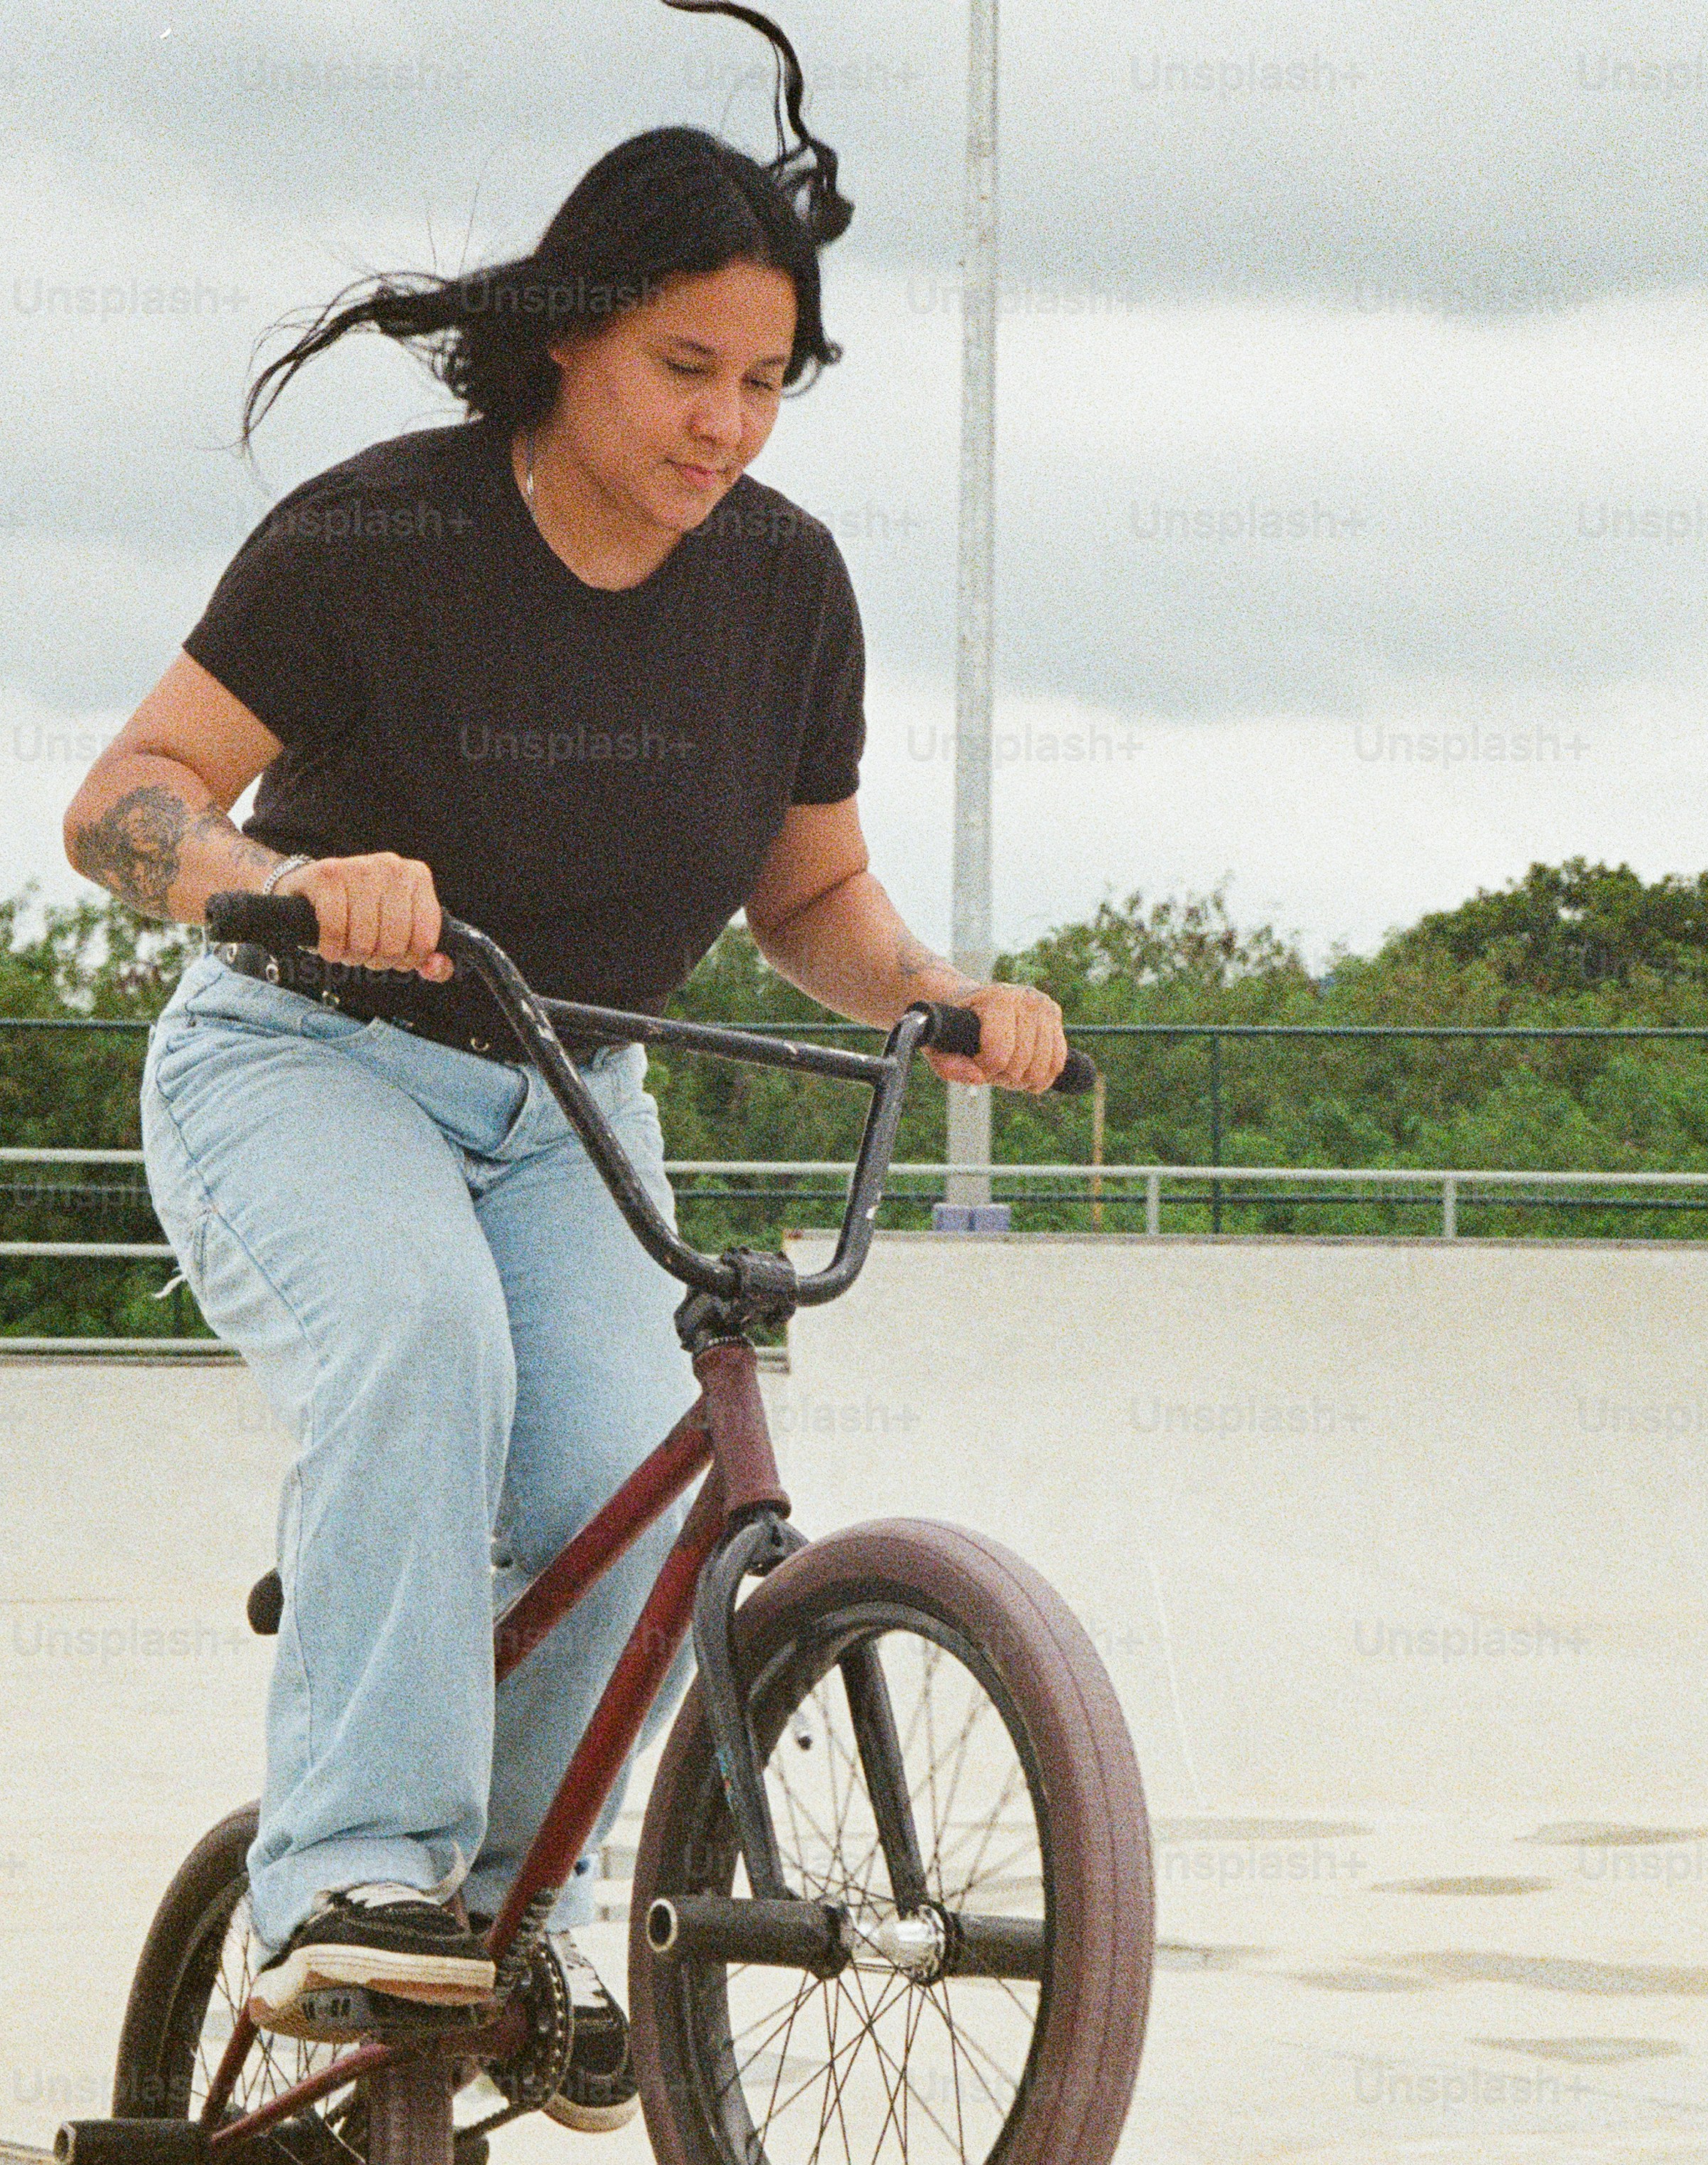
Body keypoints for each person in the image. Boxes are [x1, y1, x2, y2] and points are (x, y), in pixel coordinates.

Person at [62, 0, 1068, 2034]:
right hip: (305, 1063)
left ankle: (513, 1914)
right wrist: (270, 876)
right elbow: (120, 806)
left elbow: (815, 904)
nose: (724, 425)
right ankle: (342, 1871)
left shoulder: (783, 586)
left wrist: (944, 996)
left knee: (629, 1479)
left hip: (573, 1099)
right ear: (565, 344)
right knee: (424, 1355)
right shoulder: (385, 533)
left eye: (766, 384)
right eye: (682, 369)